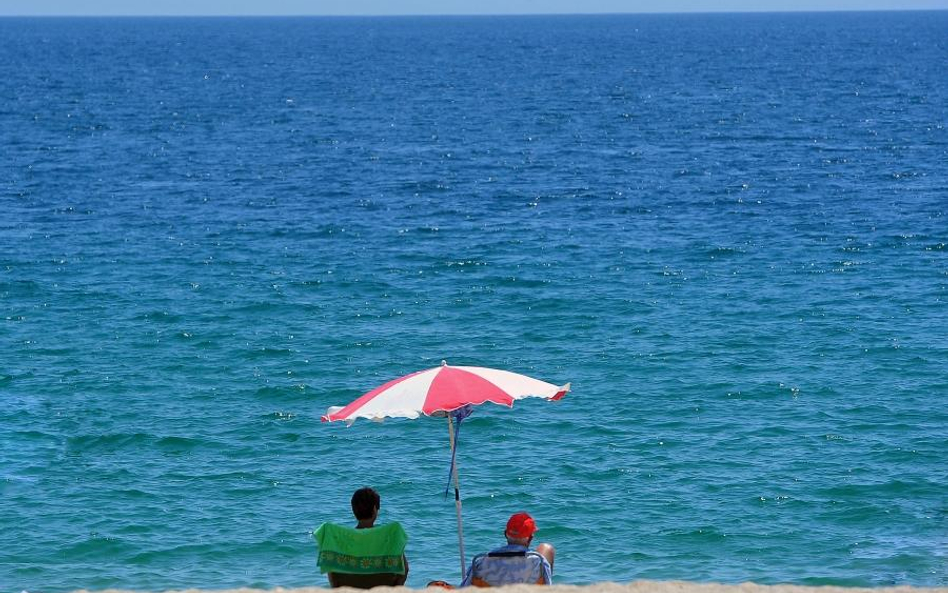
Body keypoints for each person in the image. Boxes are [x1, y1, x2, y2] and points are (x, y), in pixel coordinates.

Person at [321, 487, 409, 588]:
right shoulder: (389, 539)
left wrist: (338, 589)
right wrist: (393, 589)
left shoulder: (340, 541)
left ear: (353, 510)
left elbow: (332, 572)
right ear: (375, 509)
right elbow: (404, 569)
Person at [458, 512, 555, 587]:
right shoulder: (538, 562)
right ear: (530, 538)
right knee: (546, 548)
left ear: (505, 534)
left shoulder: (480, 561)